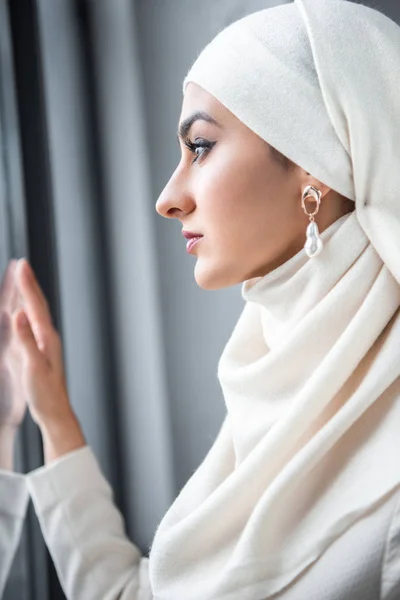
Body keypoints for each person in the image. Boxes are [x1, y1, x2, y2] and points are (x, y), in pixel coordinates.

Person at [1, 0, 400, 598]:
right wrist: (52, 415)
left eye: (202, 146)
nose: (167, 197)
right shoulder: (271, 379)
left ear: (313, 161)